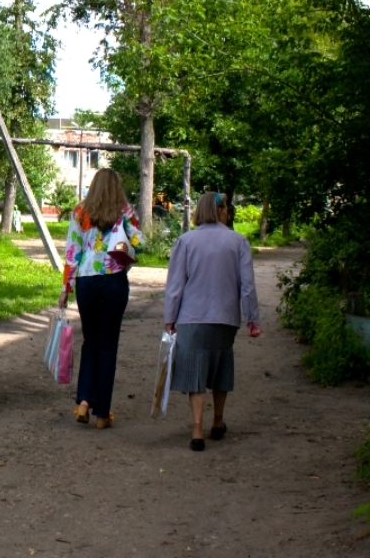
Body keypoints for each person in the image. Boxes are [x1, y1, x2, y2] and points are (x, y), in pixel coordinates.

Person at [164, 192, 261, 452]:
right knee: (220, 367)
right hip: (225, 317)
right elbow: (247, 286)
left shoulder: (185, 241)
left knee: (196, 372)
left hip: (191, 318)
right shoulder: (238, 241)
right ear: (223, 211)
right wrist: (252, 318)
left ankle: (197, 429)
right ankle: (218, 421)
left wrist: (169, 318)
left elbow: (175, 286)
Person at [58, 169, 144, 429]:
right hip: (114, 281)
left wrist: (66, 286)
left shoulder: (80, 212)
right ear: (116, 186)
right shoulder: (124, 212)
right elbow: (139, 242)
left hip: (86, 282)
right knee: (108, 346)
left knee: (90, 342)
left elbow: (72, 250)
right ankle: (102, 414)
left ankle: (84, 401)